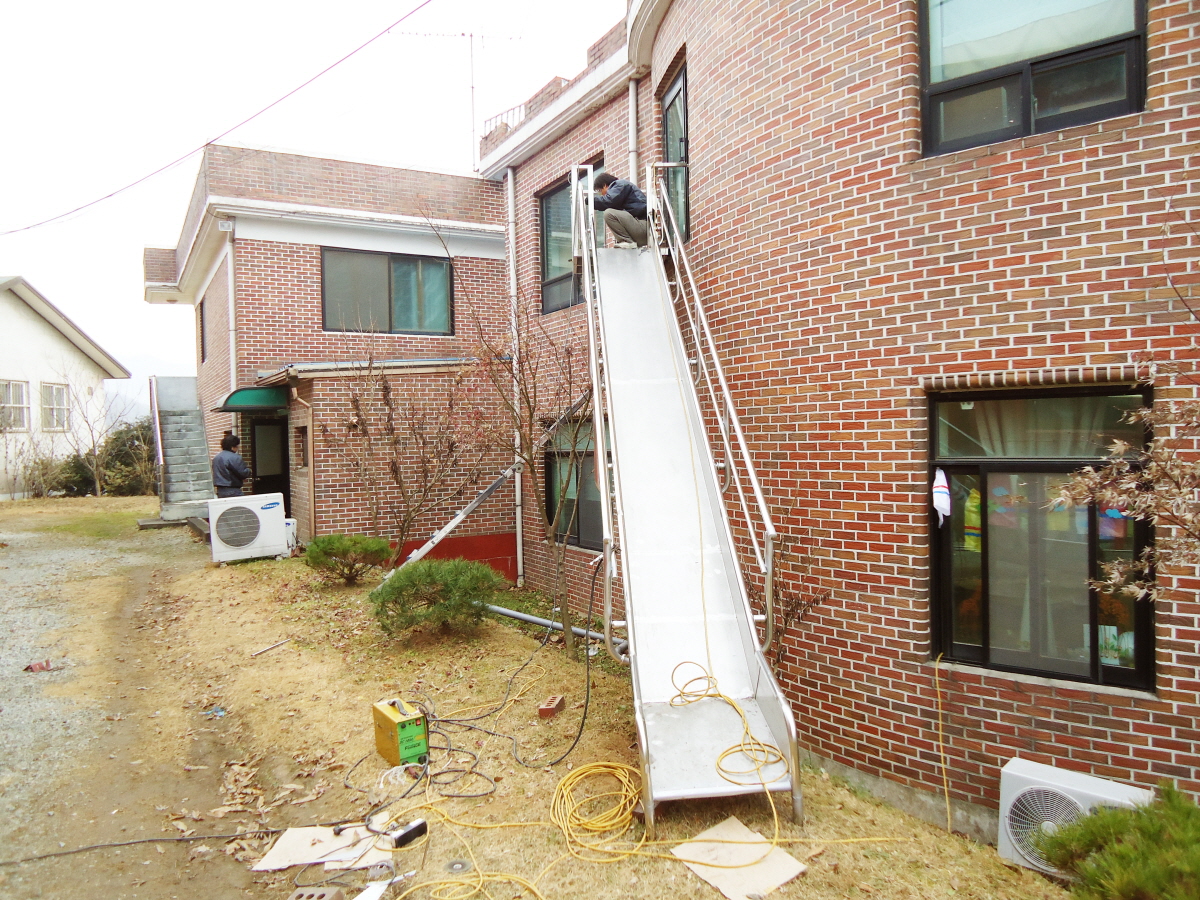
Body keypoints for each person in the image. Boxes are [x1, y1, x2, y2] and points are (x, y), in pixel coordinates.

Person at [593, 172, 649, 248]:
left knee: (609, 213)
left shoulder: (619, 184)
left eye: (600, 191)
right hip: (642, 229)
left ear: (605, 185)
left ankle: (627, 242)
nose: (602, 195)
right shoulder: (620, 191)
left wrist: (592, 200)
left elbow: (608, 201)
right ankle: (627, 242)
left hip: (643, 227)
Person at [212, 433, 252, 499]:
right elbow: (243, 473)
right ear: (233, 447)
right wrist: (249, 471)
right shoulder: (235, 458)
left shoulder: (216, 458)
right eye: (237, 446)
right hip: (233, 490)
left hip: (220, 490)